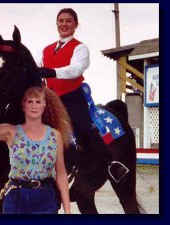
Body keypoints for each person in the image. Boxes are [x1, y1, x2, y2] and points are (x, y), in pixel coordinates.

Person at [36, 8, 128, 183]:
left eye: (69, 21)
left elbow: (75, 69)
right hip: (48, 98)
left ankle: (111, 164)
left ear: (76, 25)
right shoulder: (45, 50)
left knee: (84, 127)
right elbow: (36, 68)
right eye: (61, 20)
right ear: (56, 23)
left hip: (71, 96)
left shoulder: (80, 48)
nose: (64, 24)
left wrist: (51, 72)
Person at [0, 86, 71, 214]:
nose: (34, 106)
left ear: (44, 105)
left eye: (38, 102)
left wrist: (68, 211)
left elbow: (61, 174)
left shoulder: (55, 135)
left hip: (46, 199)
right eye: (29, 101)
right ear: (23, 105)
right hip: (16, 198)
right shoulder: (10, 131)